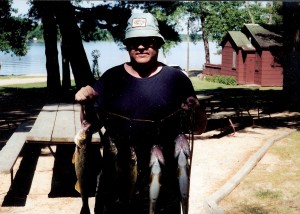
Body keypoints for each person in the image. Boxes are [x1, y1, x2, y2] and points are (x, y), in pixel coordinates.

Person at [75, 13, 207, 214]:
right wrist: (84, 104)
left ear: (159, 44)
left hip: (163, 181)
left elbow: (198, 128)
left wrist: (196, 109)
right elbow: (90, 126)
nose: (141, 47)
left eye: (148, 41)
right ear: (127, 45)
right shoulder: (111, 78)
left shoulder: (177, 80)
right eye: (135, 42)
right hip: (115, 180)